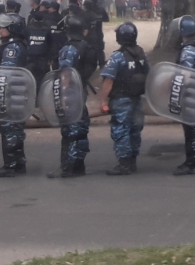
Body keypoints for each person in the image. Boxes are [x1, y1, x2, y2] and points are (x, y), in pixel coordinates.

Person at [49, 15, 95, 178]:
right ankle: (79, 165)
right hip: (81, 91)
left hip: (69, 94)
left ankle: (68, 167)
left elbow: (65, 74)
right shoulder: (87, 46)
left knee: (70, 131)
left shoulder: (69, 49)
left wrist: (61, 98)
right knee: (81, 128)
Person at [102, 22, 149, 176]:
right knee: (135, 129)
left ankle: (124, 164)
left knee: (120, 130)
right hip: (136, 98)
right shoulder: (142, 54)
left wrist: (103, 102)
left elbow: (108, 81)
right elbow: (150, 74)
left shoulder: (117, 56)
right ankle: (132, 161)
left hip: (121, 99)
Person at [0, 12, 29, 177]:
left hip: (11, 94)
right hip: (19, 92)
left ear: (12, 28)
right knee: (17, 128)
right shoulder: (17, 44)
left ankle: (10, 165)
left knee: (9, 128)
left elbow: (5, 74)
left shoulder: (12, 47)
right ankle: (19, 162)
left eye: (3, 28)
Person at [173, 15, 195, 175]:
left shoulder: (188, 50)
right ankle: (190, 161)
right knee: (191, 128)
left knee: (190, 128)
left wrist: (177, 92)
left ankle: (191, 163)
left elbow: (185, 74)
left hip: (191, 93)